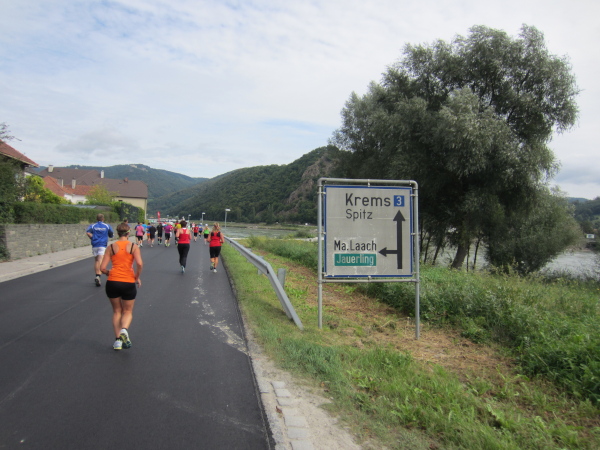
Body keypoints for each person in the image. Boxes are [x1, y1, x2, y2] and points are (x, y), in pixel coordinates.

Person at [100, 223, 143, 351]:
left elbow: (102, 268)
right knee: (128, 311)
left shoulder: (111, 247)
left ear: (118, 233)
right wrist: (136, 276)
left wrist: (109, 272)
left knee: (117, 311)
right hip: (128, 281)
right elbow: (139, 263)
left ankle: (118, 341)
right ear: (128, 233)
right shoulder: (134, 246)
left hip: (112, 281)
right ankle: (124, 329)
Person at [86, 213, 114, 287]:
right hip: (102, 244)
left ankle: (97, 275)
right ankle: (98, 276)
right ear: (103, 219)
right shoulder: (106, 226)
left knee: (96, 260)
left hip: (95, 244)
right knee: (100, 259)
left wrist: (92, 238)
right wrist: (110, 235)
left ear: (96, 219)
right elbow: (111, 234)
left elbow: (88, 232)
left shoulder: (93, 225)